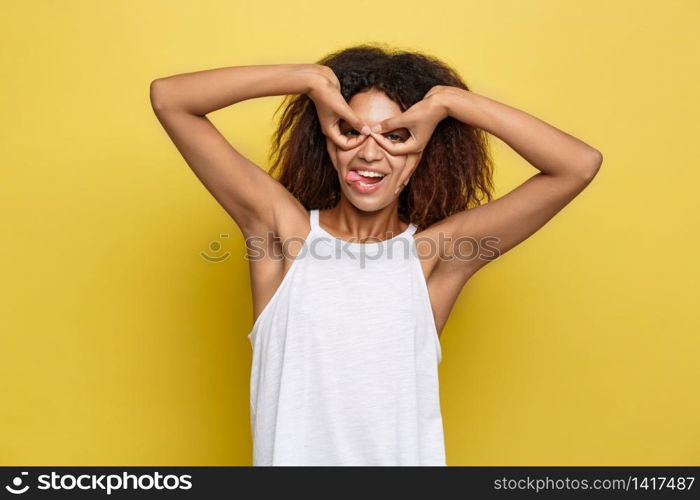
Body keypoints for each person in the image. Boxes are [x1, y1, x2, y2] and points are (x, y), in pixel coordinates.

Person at [149, 44, 603, 466]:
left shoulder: (436, 257)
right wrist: (308, 80)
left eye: (397, 136)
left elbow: (577, 164)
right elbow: (171, 99)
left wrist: (449, 102)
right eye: (351, 131)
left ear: (425, 149)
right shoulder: (282, 236)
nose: (369, 153)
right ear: (326, 138)